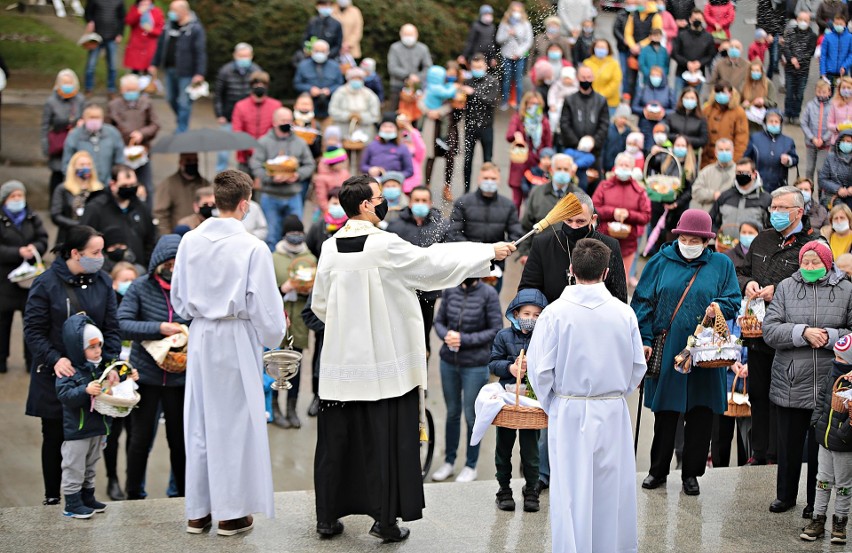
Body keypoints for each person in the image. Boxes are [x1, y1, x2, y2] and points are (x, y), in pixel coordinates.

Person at [310, 174, 515, 541]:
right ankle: (384, 522)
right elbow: (430, 264)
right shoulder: (384, 245)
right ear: (365, 206)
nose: (388, 200)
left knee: (337, 443)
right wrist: (486, 252)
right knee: (385, 443)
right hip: (384, 369)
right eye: (379, 196)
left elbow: (321, 306)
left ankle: (327, 518)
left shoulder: (329, 248)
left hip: (341, 368)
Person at [172, 170, 287, 536]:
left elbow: (178, 297)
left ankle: (198, 511)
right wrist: (274, 337)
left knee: (202, 421)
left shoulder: (189, 240)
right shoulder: (253, 247)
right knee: (234, 425)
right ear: (245, 204)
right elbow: (267, 311)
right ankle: (231, 513)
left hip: (202, 333)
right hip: (236, 335)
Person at [528, 238, 647, 553]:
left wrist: (555, 403)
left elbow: (539, 371)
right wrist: (616, 392)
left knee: (571, 490)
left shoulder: (554, 314)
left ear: (570, 269)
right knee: (612, 489)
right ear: (607, 272)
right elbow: (638, 366)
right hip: (611, 411)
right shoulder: (624, 314)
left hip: (570, 410)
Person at [632, 209, 741, 496]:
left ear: (707, 241)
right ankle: (658, 470)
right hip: (669, 348)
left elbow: (733, 299)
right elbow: (641, 303)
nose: (690, 243)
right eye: (686, 237)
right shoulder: (659, 261)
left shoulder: (721, 264)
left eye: (697, 239)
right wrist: (644, 339)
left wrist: (717, 306)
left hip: (706, 351)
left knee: (701, 413)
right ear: (678, 236)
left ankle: (691, 474)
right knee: (666, 413)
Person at [24, 225, 120, 507]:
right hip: (57, 375)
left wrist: (110, 364)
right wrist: (56, 359)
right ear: (75, 253)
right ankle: (53, 496)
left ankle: (83, 495)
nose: (101, 257)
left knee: (91, 437)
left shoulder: (102, 282)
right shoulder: (46, 283)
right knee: (54, 435)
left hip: (93, 376)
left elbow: (111, 328)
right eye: (95, 252)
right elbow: (33, 331)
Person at [763, 241, 852, 515]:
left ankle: (816, 503)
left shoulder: (847, 289)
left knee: (819, 449)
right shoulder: (786, 288)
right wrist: (802, 332)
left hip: (830, 382)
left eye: (815, 262)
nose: (810, 267)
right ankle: (786, 496)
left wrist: (828, 337)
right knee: (788, 445)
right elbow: (770, 329)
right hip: (791, 380)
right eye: (805, 262)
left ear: (827, 262)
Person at [737, 186, 817, 472]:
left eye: (782, 209)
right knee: (758, 392)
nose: (776, 213)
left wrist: (780, 291)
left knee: (783, 398)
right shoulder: (762, 239)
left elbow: (815, 281)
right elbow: (742, 271)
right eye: (773, 208)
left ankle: (778, 453)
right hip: (757, 331)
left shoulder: (812, 243)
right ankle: (759, 452)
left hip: (790, 335)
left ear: (798, 212)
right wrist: (748, 285)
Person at [116, 234, 187, 500]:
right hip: (146, 376)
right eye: (168, 263)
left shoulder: (191, 288)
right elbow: (122, 323)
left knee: (179, 442)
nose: (172, 269)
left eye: (177, 263)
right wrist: (158, 329)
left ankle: (181, 493)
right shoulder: (139, 288)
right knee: (139, 440)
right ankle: (134, 493)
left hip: (180, 379)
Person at [56, 316, 138, 518]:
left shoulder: (101, 367)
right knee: (74, 466)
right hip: (78, 429)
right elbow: (65, 396)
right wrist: (84, 390)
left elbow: (113, 381)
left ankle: (87, 496)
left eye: (99, 346)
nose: (98, 351)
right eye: (92, 347)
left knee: (91, 464)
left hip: (99, 427)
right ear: (78, 347)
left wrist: (127, 377)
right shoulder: (70, 371)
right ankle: (72, 503)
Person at [432, 276, 502, 484]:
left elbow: (496, 329)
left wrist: (464, 339)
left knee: (472, 416)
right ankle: (449, 461)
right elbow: (438, 321)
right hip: (448, 362)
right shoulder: (450, 290)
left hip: (475, 365)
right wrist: (447, 335)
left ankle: (471, 465)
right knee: (452, 413)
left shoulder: (488, 294)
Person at [488, 288, 548, 512]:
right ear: (516, 313)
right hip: (507, 400)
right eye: (526, 314)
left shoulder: (544, 338)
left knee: (531, 451)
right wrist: (510, 368)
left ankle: (532, 488)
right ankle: (503, 489)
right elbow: (493, 363)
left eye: (536, 315)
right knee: (503, 447)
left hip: (531, 400)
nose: (531, 319)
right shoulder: (504, 336)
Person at [519, 191, 628, 305]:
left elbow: (619, 297)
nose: (573, 226)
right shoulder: (543, 244)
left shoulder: (610, 246)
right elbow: (528, 290)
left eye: (580, 221)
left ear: (593, 219)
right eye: (569, 220)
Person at [386, 186, 451, 357]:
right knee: (402, 334)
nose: (420, 204)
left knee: (423, 333)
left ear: (430, 203)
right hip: (402, 290)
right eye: (417, 200)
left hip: (428, 291)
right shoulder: (395, 226)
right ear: (410, 202)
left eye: (424, 201)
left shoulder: (441, 226)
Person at [801, 334, 852, 543]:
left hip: (844, 442)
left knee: (843, 485)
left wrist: (845, 432)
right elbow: (822, 398)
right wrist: (816, 421)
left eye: (841, 359)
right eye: (836, 357)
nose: (836, 362)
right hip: (825, 438)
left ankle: (840, 523)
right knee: (822, 481)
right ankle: (817, 519)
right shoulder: (832, 375)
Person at [270, 216, 316, 429]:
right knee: (274, 364)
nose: (296, 236)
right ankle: (274, 407)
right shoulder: (273, 257)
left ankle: (292, 407)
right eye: (293, 232)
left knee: (294, 365)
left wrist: (306, 289)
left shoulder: (310, 258)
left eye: (299, 232)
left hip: (299, 317)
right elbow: (265, 291)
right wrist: (283, 289)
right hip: (278, 315)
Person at [449, 163, 523, 292]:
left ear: (499, 180)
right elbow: (453, 233)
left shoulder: (508, 205)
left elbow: (516, 233)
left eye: (493, 179)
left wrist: (504, 249)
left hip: (494, 268)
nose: (489, 182)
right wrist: (477, 251)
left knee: (490, 307)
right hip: (466, 266)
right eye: (486, 178)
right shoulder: (463, 203)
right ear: (479, 179)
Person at [250, 108, 316, 249]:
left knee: (296, 235)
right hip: (270, 195)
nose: (287, 123)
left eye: (289, 120)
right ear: (274, 122)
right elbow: (255, 165)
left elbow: (310, 164)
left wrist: (298, 175)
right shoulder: (263, 142)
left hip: (293, 195)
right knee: (271, 236)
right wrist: (270, 177)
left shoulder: (299, 142)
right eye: (283, 121)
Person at [0, 181, 48, 373]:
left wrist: (35, 248)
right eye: (13, 196)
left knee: (32, 322)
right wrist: (17, 252)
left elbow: (43, 238)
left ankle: (32, 361)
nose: (18, 199)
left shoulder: (32, 216)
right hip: (4, 280)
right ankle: (1, 360)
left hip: (28, 280)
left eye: (20, 195)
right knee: (3, 322)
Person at [81, 165, 156, 268]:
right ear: (113, 185)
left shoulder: (141, 207)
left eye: (133, 185)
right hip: (107, 271)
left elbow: (150, 239)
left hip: (138, 269)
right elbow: (86, 242)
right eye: (125, 186)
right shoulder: (96, 207)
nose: (130, 189)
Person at [148, 0, 206, 133]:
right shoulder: (168, 26)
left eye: (174, 10)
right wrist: (154, 63)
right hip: (169, 69)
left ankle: (182, 129)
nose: (171, 13)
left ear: (183, 11)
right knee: (170, 98)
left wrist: (199, 73)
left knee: (184, 102)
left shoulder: (195, 28)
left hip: (187, 72)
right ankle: (181, 120)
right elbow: (160, 45)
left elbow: (200, 52)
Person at [593, 153, 652, 281]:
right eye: (621, 164)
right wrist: (612, 212)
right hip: (603, 242)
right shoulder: (604, 186)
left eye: (627, 165)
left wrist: (629, 214)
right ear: (615, 166)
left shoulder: (639, 190)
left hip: (627, 244)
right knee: (600, 280)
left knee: (620, 281)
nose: (624, 168)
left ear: (632, 169)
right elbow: (594, 209)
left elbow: (646, 216)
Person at [107, 74, 161, 199]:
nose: (131, 93)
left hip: (142, 152)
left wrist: (142, 133)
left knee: (146, 186)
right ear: (122, 90)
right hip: (121, 154)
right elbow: (108, 128)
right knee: (123, 186)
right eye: (128, 90)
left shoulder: (146, 103)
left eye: (134, 90)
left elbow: (155, 124)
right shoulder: (113, 105)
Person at [519, 154, 579, 257]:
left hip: (569, 256)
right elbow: (526, 224)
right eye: (559, 168)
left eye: (566, 169)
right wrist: (524, 253)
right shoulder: (537, 192)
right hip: (539, 254)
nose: (562, 172)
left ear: (571, 172)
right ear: (551, 170)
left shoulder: (579, 196)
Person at [213, 43, 261, 172]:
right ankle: (220, 177)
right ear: (235, 55)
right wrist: (219, 114)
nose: (243, 59)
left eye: (246, 56)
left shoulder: (256, 72)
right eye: (241, 56)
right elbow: (218, 94)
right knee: (223, 151)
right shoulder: (225, 71)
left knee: (247, 150)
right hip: (228, 116)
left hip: (248, 118)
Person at [506, 92, 553, 211]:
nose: (534, 106)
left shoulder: (543, 121)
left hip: (536, 166)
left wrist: (546, 160)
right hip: (520, 163)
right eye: (532, 103)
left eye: (537, 104)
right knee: (516, 201)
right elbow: (509, 135)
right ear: (525, 104)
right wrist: (517, 135)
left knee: (533, 201)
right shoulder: (518, 118)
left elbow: (548, 145)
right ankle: (514, 227)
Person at [42, 69, 86, 194]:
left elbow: (85, 117)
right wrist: (46, 148)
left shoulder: (80, 100)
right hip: (59, 145)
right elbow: (45, 126)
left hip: (76, 144)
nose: (68, 86)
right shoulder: (51, 102)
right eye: (64, 83)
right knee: (57, 176)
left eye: (70, 83)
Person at [231, 71, 283, 175]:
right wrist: (251, 149)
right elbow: (237, 132)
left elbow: (277, 131)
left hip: (269, 157)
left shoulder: (276, 105)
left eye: (263, 84)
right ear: (251, 86)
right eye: (256, 83)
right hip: (245, 157)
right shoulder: (240, 106)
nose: (259, 86)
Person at [462, 54, 500, 194]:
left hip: (486, 126)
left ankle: (487, 189)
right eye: (474, 67)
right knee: (467, 161)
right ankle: (466, 190)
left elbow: (491, 101)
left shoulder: (493, 82)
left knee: (487, 160)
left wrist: (474, 93)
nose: (477, 69)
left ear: (485, 66)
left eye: (480, 67)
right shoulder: (467, 81)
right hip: (470, 126)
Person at [51, 151, 106, 247]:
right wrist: (78, 224)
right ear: (73, 167)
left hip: (94, 237)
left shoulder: (100, 189)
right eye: (82, 164)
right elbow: (56, 215)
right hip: (69, 236)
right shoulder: (63, 189)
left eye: (89, 164)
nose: (86, 167)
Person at [62, 104, 125, 184]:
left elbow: (120, 160)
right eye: (91, 117)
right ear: (84, 118)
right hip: (83, 184)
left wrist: (115, 179)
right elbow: (67, 164)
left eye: (97, 117)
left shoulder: (112, 133)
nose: (94, 120)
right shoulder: (74, 136)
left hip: (108, 185)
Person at [560, 66, 610, 165]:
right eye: (583, 77)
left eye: (588, 77)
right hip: (573, 149)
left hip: (595, 151)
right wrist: (577, 143)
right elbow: (564, 124)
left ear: (593, 78)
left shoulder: (601, 100)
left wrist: (593, 142)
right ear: (577, 78)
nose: (586, 80)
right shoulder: (570, 100)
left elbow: (604, 124)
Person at [153, 153, 210, 235]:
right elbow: (160, 213)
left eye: (195, 161)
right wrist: (168, 237)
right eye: (189, 161)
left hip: (202, 234)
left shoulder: (204, 184)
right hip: (179, 234)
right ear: (181, 162)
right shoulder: (169, 184)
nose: (192, 164)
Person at [709, 158, 772, 232]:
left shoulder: (766, 199)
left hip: (754, 243)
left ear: (754, 174)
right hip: (726, 243)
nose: (741, 175)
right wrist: (718, 237)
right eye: (739, 172)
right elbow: (710, 220)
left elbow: (771, 227)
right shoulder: (725, 196)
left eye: (745, 172)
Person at [745, 110, 799, 193]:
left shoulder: (788, 141)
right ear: (765, 123)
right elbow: (746, 158)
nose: (773, 124)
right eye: (771, 121)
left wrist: (788, 160)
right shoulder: (755, 138)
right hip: (757, 183)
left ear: (780, 124)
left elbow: (795, 159)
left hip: (779, 184)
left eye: (776, 121)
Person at [328, 67, 381, 148]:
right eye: (354, 78)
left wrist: (361, 117)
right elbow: (332, 110)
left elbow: (375, 114)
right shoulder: (340, 92)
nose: (356, 81)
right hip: (343, 130)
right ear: (348, 79)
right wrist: (348, 116)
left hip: (365, 132)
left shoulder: (369, 94)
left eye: (359, 78)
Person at [496, 2, 534, 110]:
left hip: (520, 56)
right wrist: (508, 34)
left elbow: (528, 41)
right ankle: (504, 101)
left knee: (518, 80)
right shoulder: (505, 24)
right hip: (506, 55)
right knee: (506, 79)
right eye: (514, 10)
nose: (516, 13)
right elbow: (499, 39)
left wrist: (518, 53)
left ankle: (518, 102)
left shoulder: (526, 24)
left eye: (518, 11)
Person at [702, 81, 749, 169]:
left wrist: (733, 160)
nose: (720, 95)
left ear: (731, 93)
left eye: (723, 92)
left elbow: (741, 140)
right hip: (706, 161)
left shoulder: (739, 112)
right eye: (718, 92)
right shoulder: (707, 110)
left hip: (728, 161)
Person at [294, 40, 343, 121]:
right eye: (317, 51)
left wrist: (330, 90)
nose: (319, 53)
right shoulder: (303, 65)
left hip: (330, 105)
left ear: (328, 52)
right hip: (308, 107)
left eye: (323, 51)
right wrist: (310, 89)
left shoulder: (335, 66)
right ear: (312, 51)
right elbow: (297, 83)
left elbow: (340, 84)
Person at [83, 0, 125, 94]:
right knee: (91, 65)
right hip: (96, 37)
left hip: (112, 37)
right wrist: (90, 21)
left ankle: (111, 89)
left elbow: (122, 18)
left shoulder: (119, 1)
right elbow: (87, 13)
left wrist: (120, 34)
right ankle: (88, 88)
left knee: (113, 66)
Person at [387, 24, 433, 111]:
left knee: (416, 114)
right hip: (398, 85)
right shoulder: (394, 48)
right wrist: (408, 75)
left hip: (416, 87)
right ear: (401, 34)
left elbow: (428, 67)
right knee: (395, 112)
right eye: (406, 34)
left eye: (411, 34)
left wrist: (418, 77)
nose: (408, 37)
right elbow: (392, 68)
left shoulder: (423, 48)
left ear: (416, 35)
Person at [783, 12, 818, 122]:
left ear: (809, 22)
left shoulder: (812, 36)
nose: (803, 22)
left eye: (805, 20)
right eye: (801, 19)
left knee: (799, 94)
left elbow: (810, 51)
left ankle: (796, 114)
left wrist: (798, 60)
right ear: (797, 20)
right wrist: (791, 58)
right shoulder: (790, 32)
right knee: (789, 93)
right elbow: (785, 47)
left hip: (803, 71)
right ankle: (787, 113)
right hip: (789, 69)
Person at [671, 10, 715, 96]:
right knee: (677, 99)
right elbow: (674, 53)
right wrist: (687, 63)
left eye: (699, 19)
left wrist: (699, 63)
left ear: (703, 20)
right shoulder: (681, 35)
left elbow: (711, 55)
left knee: (695, 100)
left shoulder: (708, 37)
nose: (697, 21)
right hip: (681, 73)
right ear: (690, 19)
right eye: (695, 18)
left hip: (698, 74)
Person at [624, 1, 663, 96]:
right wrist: (632, 46)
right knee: (631, 80)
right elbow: (628, 33)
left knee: (647, 78)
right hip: (633, 52)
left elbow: (655, 34)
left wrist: (640, 45)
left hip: (648, 52)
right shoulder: (633, 15)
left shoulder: (656, 16)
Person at [632, 65, 674, 152]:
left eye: (657, 75)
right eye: (653, 75)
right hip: (645, 124)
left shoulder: (668, 90)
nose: (655, 78)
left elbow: (674, 109)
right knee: (645, 148)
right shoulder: (643, 89)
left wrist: (663, 113)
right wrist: (644, 111)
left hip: (661, 125)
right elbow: (634, 107)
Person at [359, 115, 414, 180]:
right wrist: (370, 169)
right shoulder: (371, 145)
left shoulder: (402, 147)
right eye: (384, 126)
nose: (387, 129)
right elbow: (362, 166)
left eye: (391, 127)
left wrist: (396, 176)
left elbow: (409, 171)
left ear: (396, 129)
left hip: (394, 183)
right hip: (374, 181)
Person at [801, 80, 834, 182]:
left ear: (829, 92)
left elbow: (833, 126)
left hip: (825, 144)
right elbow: (803, 122)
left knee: (820, 169)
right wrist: (812, 138)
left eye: (824, 92)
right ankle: (808, 191)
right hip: (811, 143)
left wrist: (823, 139)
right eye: (819, 92)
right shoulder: (810, 105)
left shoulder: (832, 107)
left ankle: (821, 193)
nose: (821, 94)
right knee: (809, 169)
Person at [123, 0, 165, 74]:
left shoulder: (156, 11)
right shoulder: (135, 9)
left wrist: (151, 30)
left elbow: (160, 30)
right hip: (136, 46)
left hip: (149, 47)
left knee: (147, 72)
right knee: (135, 71)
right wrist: (138, 13)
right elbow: (128, 21)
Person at [584, 40, 623, 113]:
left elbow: (615, 82)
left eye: (602, 47)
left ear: (608, 49)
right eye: (598, 47)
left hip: (609, 103)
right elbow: (583, 79)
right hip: (590, 101)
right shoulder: (587, 63)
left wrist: (601, 95)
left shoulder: (614, 64)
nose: (600, 49)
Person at [820, 130, 852, 208]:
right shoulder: (830, 157)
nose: (845, 143)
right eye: (843, 141)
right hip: (833, 196)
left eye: (848, 141)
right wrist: (838, 189)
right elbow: (822, 179)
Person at [820, 15, 852, 91]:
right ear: (833, 24)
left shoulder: (850, 37)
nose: (838, 26)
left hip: (842, 73)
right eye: (836, 24)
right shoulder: (828, 37)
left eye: (841, 24)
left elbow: (851, 54)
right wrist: (823, 72)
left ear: (845, 24)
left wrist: (845, 65)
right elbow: (823, 56)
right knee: (827, 95)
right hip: (829, 72)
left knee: (842, 95)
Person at [757, 0, 786, 79]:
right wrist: (767, 33)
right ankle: (758, 77)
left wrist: (780, 35)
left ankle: (768, 79)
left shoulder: (783, 2)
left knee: (774, 59)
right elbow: (760, 18)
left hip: (775, 33)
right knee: (758, 58)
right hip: (763, 33)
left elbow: (782, 19)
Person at [829, 78, 852, 145]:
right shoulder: (835, 104)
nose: (846, 90)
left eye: (848, 87)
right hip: (837, 141)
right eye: (843, 88)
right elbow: (829, 123)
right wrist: (837, 127)